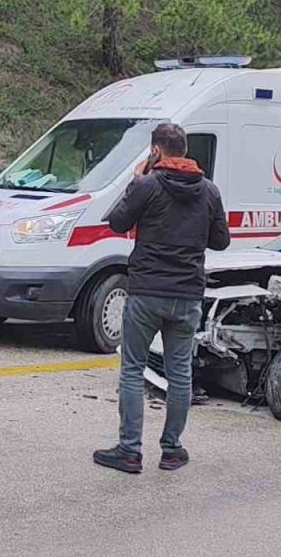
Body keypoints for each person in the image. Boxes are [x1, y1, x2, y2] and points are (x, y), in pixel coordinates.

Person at [93, 123, 230, 474]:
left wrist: (136, 181)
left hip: (147, 292)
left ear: (156, 151)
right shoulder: (209, 190)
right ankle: (172, 450)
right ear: (185, 151)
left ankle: (129, 451)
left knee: (132, 370)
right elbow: (221, 241)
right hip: (187, 295)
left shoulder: (147, 185)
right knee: (180, 374)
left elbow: (117, 223)